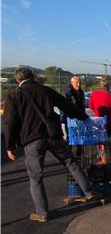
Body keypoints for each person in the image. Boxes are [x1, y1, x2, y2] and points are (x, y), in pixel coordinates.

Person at [3, 67, 100, 222]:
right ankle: (89, 192)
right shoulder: (45, 90)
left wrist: (10, 145)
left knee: (36, 177)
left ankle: (42, 213)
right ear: (33, 77)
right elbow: (66, 105)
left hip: (32, 139)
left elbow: (10, 122)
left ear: (17, 80)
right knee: (71, 162)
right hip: (53, 134)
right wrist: (84, 117)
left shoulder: (14, 95)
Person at [88, 77, 111, 150]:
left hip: (98, 119)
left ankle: (101, 156)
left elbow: (90, 106)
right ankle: (108, 156)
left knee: (100, 139)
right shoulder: (110, 94)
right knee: (109, 139)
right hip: (110, 120)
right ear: (108, 85)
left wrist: (96, 112)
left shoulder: (93, 93)